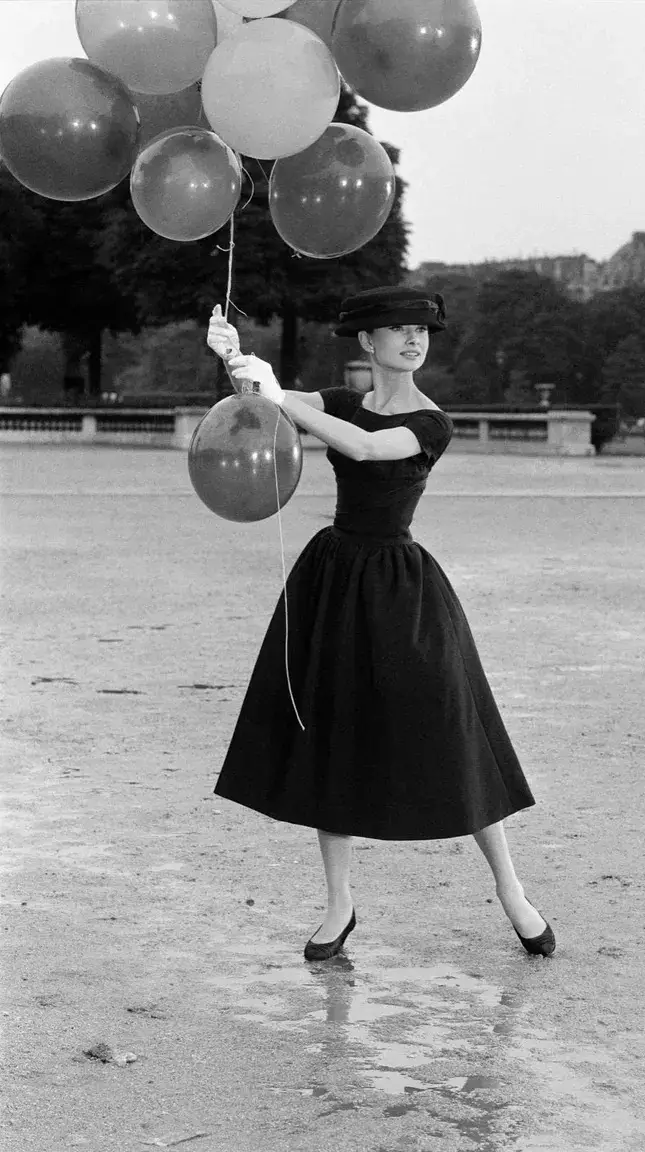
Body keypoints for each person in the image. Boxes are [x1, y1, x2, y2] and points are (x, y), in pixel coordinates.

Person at [206, 287, 555, 962]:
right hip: (334, 577)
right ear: (369, 342)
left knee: (451, 729)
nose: (414, 339)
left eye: (422, 329)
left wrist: (278, 393)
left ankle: (511, 890)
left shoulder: (431, 422)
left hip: (402, 586)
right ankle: (339, 905)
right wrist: (235, 360)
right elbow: (269, 403)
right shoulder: (343, 401)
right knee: (331, 732)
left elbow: (365, 450)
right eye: (398, 329)